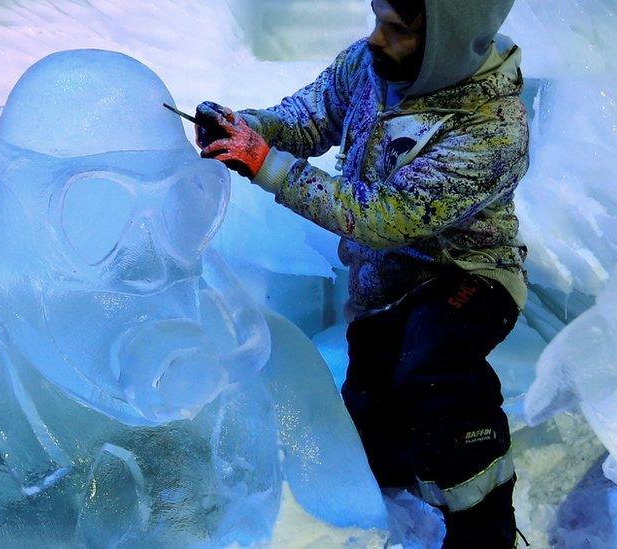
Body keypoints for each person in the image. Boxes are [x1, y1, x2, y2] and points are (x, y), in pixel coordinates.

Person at [195, 0, 528, 546]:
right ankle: (398, 512)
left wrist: (265, 165)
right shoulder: (370, 66)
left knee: (433, 365)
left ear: (448, 43)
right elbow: (306, 119)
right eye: (379, 21)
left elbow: (381, 217)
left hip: (467, 275)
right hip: (385, 288)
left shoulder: (492, 130)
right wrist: (247, 128)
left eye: (397, 30)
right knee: (372, 420)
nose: (376, 39)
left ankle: (484, 528)